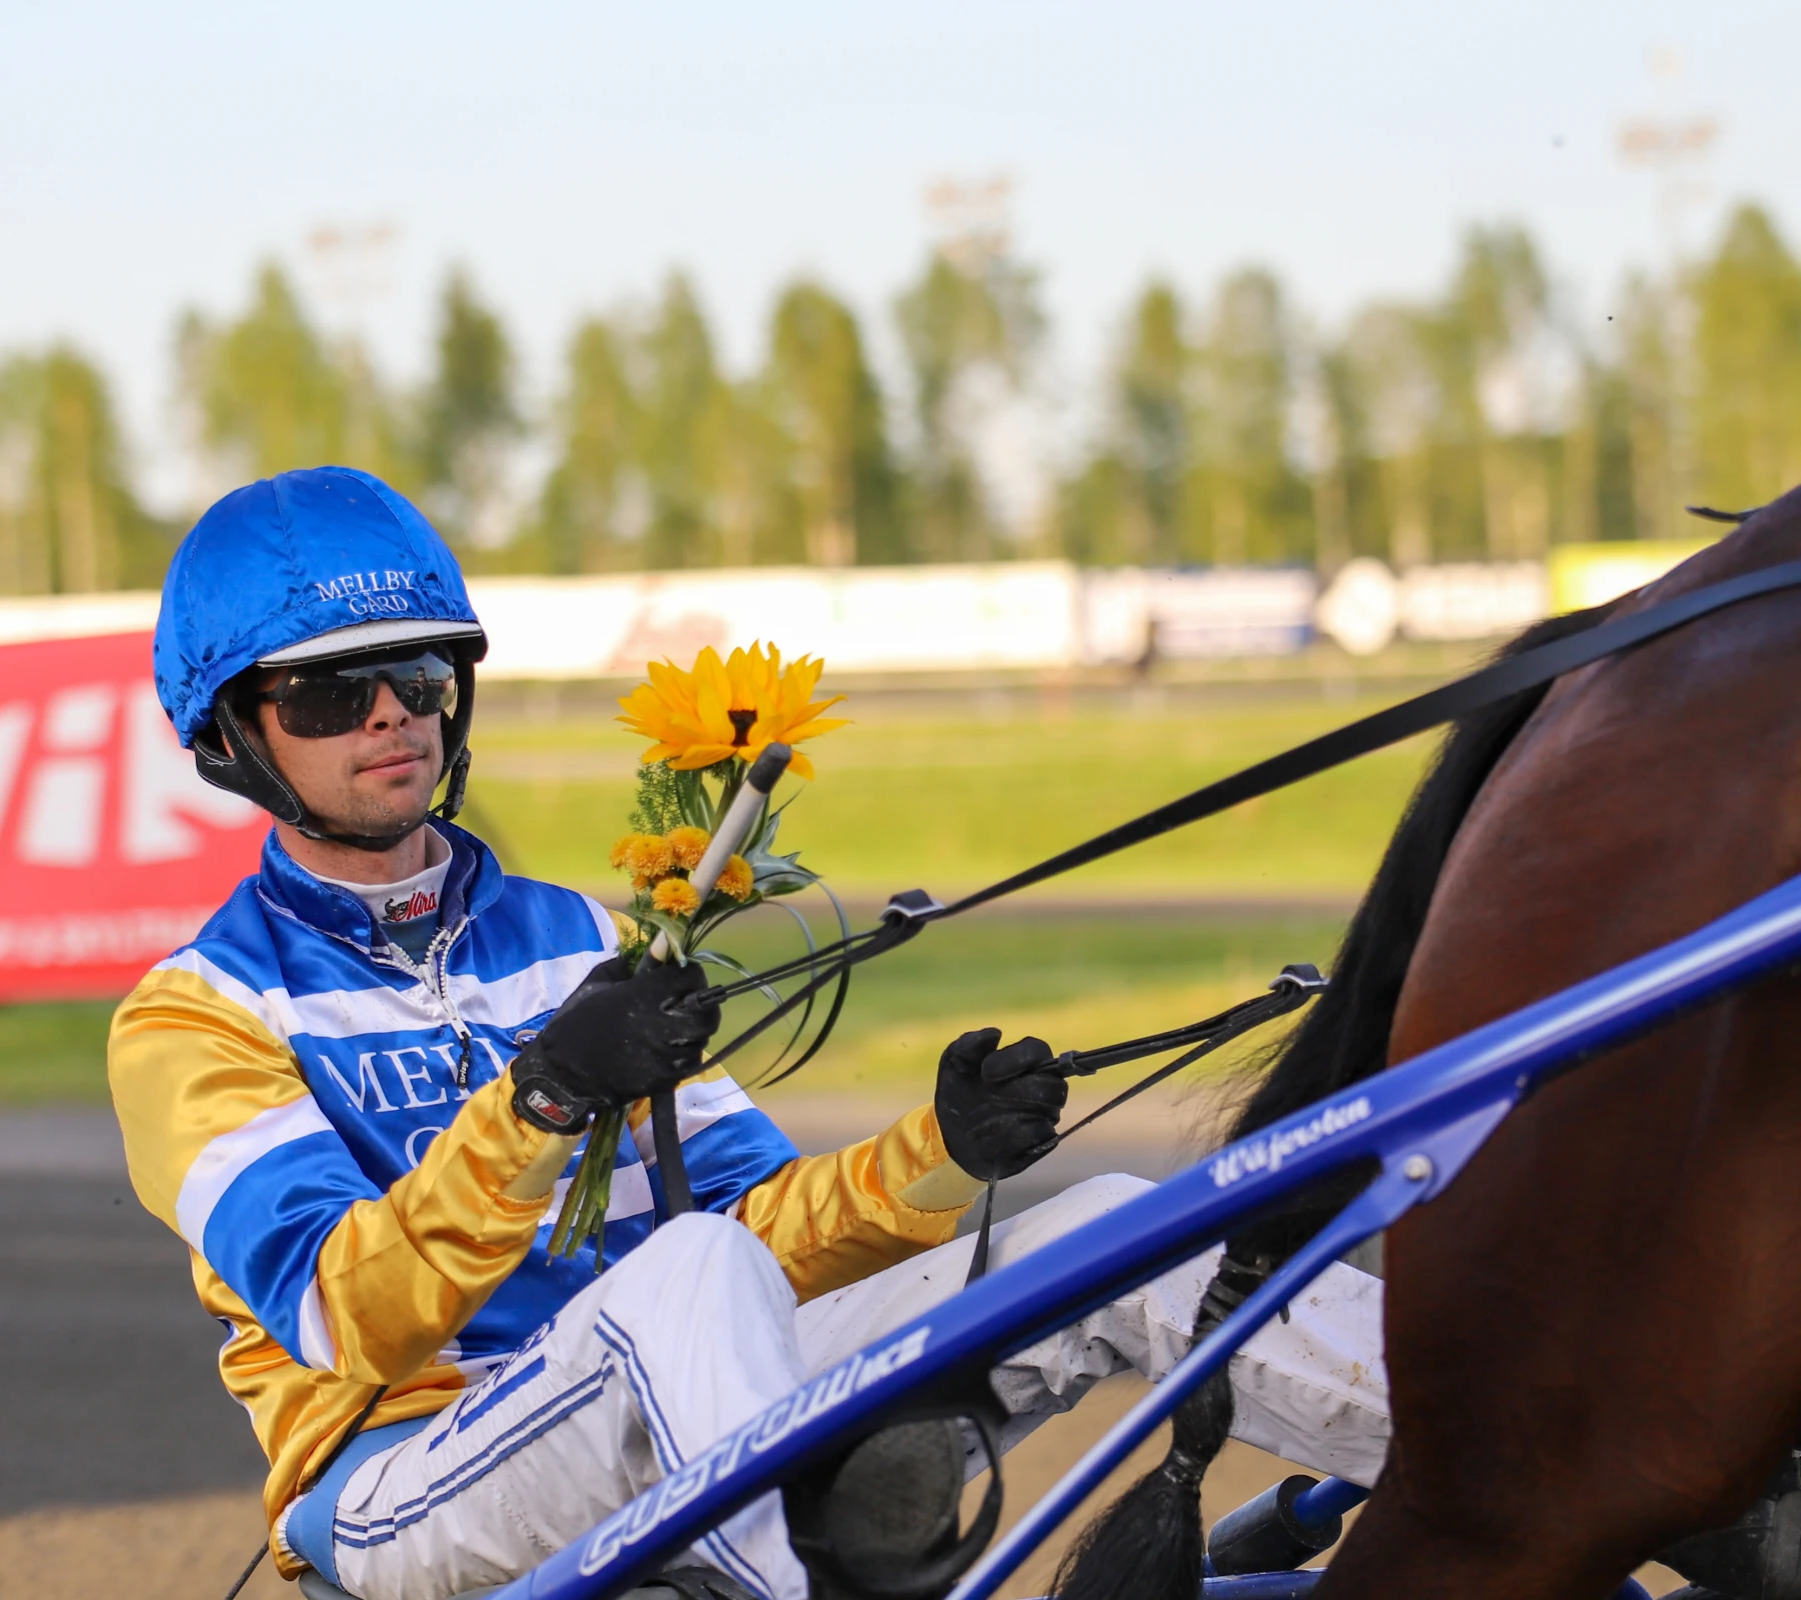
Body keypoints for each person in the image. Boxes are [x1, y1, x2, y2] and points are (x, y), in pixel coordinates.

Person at [109, 467, 1389, 1600]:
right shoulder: (194, 1015)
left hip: (679, 1399)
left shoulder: (579, 940)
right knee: (687, 1274)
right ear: (230, 733)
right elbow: (350, 1317)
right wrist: (546, 1097)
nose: (390, 713)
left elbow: (767, 1228)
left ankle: (1523, 1449)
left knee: (1117, 1221)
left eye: (418, 674)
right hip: (405, 1479)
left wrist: (940, 1152)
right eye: (330, 695)